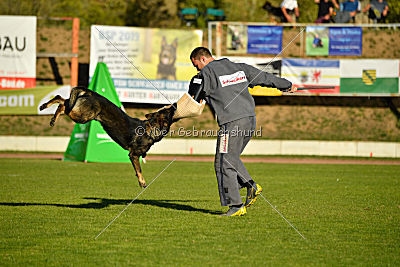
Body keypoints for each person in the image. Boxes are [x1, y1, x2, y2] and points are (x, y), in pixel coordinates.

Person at [188, 47, 296, 216]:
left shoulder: (206, 73)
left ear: (202, 59)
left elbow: (193, 99)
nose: (197, 70)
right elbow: (265, 77)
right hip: (249, 120)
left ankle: (236, 206)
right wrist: (286, 85)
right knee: (229, 158)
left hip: (231, 123)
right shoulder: (238, 67)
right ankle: (251, 186)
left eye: (196, 65)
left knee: (224, 162)